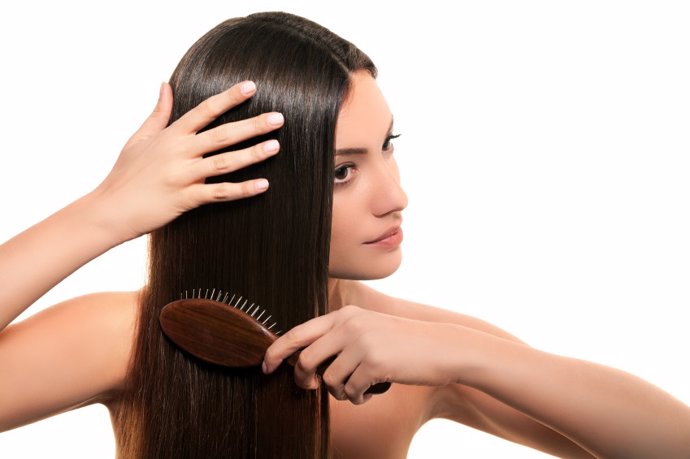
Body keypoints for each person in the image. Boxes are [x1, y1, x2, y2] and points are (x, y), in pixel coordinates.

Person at [1, 11, 689, 459]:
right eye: (340, 172)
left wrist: (467, 356)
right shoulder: (132, 334)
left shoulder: (420, 352)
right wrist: (106, 209)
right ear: (238, 184)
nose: (396, 196)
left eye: (388, 146)